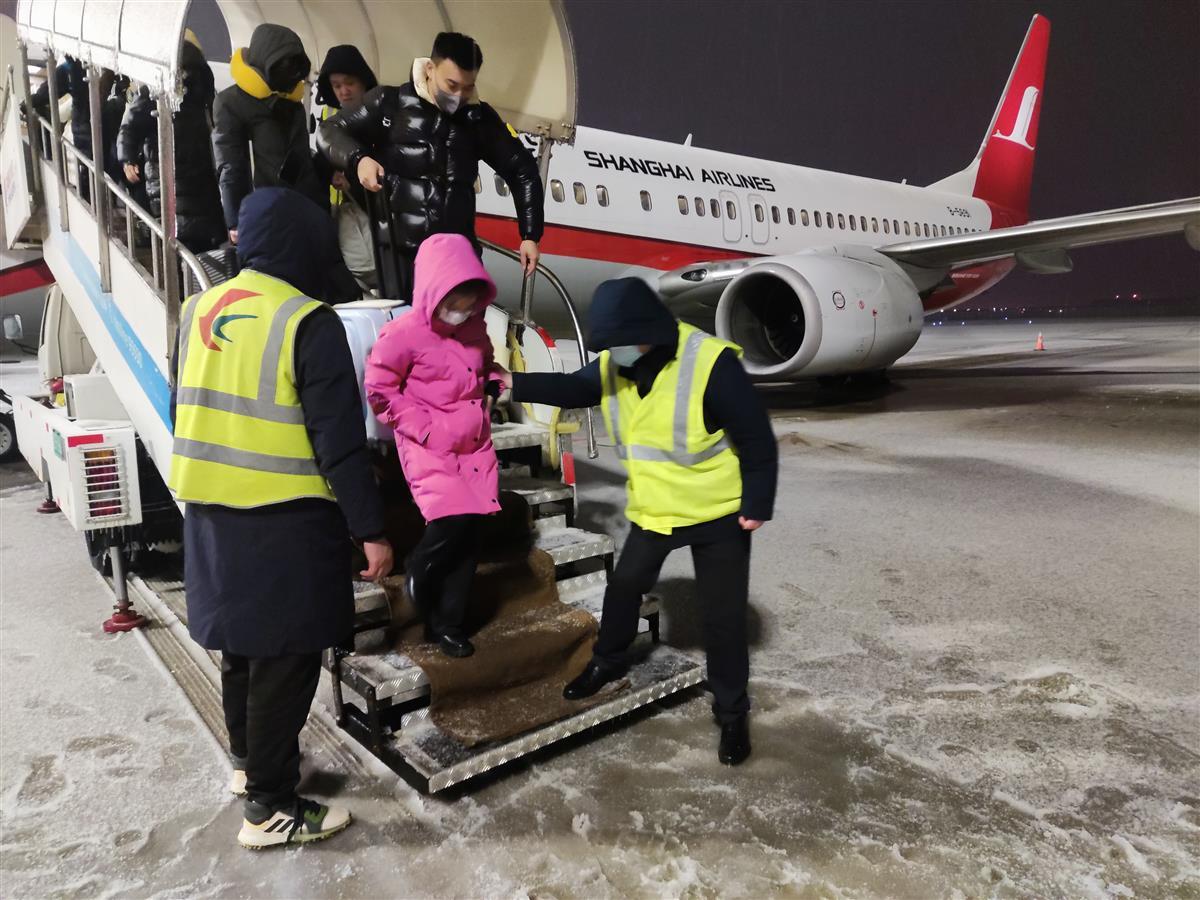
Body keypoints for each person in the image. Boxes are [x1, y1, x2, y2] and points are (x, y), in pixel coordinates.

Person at [168, 187, 394, 848]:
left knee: (241, 649)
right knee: (286, 662)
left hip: (209, 511)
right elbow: (338, 442)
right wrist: (371, 530)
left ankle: (249, 767)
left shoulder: (198, 307)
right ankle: (269, 809)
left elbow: (186, 401)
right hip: (282, 518)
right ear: (304, 245)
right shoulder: (305, 320)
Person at [500, 278, 778, 766]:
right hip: (657, 509)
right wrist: (513, 384)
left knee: (723, 618)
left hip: (718, 511)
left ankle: (732, 712)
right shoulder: (618, 361)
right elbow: (576, 387)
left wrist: (757, 502)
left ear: (647, 332)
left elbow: (756, 438)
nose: (612, 355)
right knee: (625, 585)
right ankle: (607, 662)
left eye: (618, 343)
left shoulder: (711, 365)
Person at [363, 233, 508, 658]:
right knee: (450, 521)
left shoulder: (475, 327)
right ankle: (419, 566)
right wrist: (424, 429)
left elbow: (485, 366)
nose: (462, 310)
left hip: (474, 444)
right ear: (432, 290)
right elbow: (380, 390)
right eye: (455, 301)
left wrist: (492, 383)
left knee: (470, 536)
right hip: (429, 445)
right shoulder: (402, 333)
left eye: (469, 302)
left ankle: (448, 625)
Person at [317, 31, 544, 301]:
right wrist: (358, 159)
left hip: (456, 258)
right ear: (429, 69)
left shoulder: (479, 119)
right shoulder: (389, 103)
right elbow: (329, 130)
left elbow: (523, 169)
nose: (459, 95)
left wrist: (530, 234)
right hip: (401, 258)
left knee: (461, 325)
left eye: (468, 87)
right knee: (404, 324)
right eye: (451, 84)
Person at [211, 24, 326, 246]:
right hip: (262, 216)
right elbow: (231, 164)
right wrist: (236, 221)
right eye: (285, 65)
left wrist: (320, 205)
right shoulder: (230, 103)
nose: (292, 75)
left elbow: (302, 159)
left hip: (302, 209)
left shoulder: (291, 101)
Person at [118, 33, 225, 253]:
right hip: (199, 175)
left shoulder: (154, 90)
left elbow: (129, 126)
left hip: (168, 176)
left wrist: (127, 159)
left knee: (180, 239)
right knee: (200, 238)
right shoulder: (203, 91)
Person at [312, 45, 379, 290]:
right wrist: (330, 174)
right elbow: (320, 166)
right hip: (351, 227)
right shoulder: (331, 128)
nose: (343, 91)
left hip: (382, 224)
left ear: (363, 81)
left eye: (349, 83)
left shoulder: (383, 120)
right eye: (336, 85)